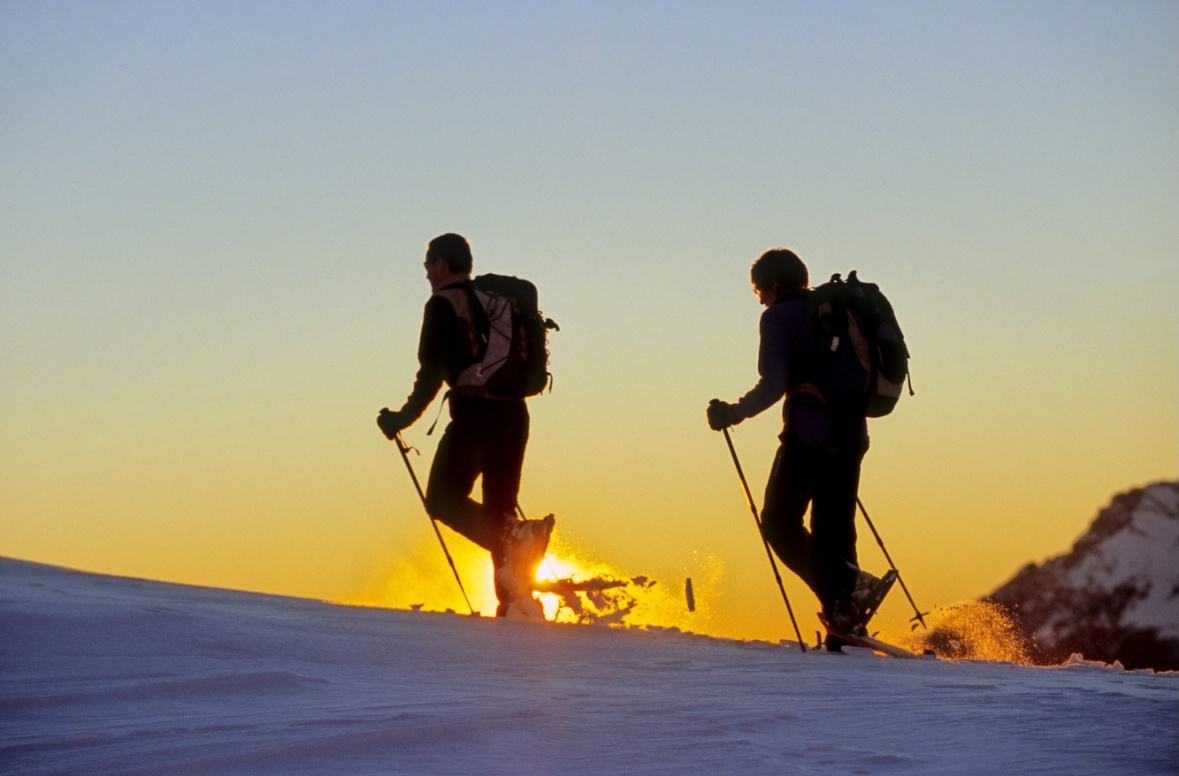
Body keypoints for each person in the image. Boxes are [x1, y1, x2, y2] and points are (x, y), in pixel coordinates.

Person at [706, 248, 881, 649]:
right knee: (834, 533)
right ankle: (847, 628)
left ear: (774, 284)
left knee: (779, 525)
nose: (761, 298)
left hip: (810, 435)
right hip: (853, 434)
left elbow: (774, 382)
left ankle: (850, 585)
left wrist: (733, 413)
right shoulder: (830, 311)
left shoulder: (779, 316)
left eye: (759, 290)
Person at [377, 233, 553, 619]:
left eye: (428, 265)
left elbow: (431, 375)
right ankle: (514, 605)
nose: (425, 274)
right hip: (513, 415)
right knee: (498, 511)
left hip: (476, 416)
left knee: (441, 498)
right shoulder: (491, 301)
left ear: (442, 264)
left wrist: (400, 419)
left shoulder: (443, 304)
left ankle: (517, 543)